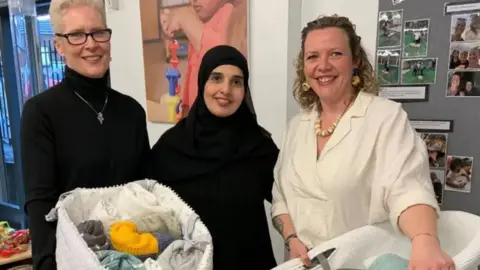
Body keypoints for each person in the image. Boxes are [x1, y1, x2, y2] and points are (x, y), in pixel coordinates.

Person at [271, 15, 455, 270]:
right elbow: (280, 196)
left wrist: (425, 241)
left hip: (366, 263)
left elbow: (407, 188)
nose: (323, 65)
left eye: (335, 54)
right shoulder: (296, 127)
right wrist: (291, 238)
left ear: (355, 60)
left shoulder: (384, 117)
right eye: (312, 57)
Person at [20, 0, 150, 269]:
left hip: (129, 257)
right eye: (77, 35)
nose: (91, 44)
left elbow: (143, 193)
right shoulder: (41, 112)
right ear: (59, 46)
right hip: (72, 259)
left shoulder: (132, 111)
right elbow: (40, 202)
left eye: (98, 32)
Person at [148, 45, 278, 269]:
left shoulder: (259, 147)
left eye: (236, 82)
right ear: (202, 83)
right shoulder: (171, 147)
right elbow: (148, 210)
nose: (225, 89)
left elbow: (289, 199)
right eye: (216, 78)